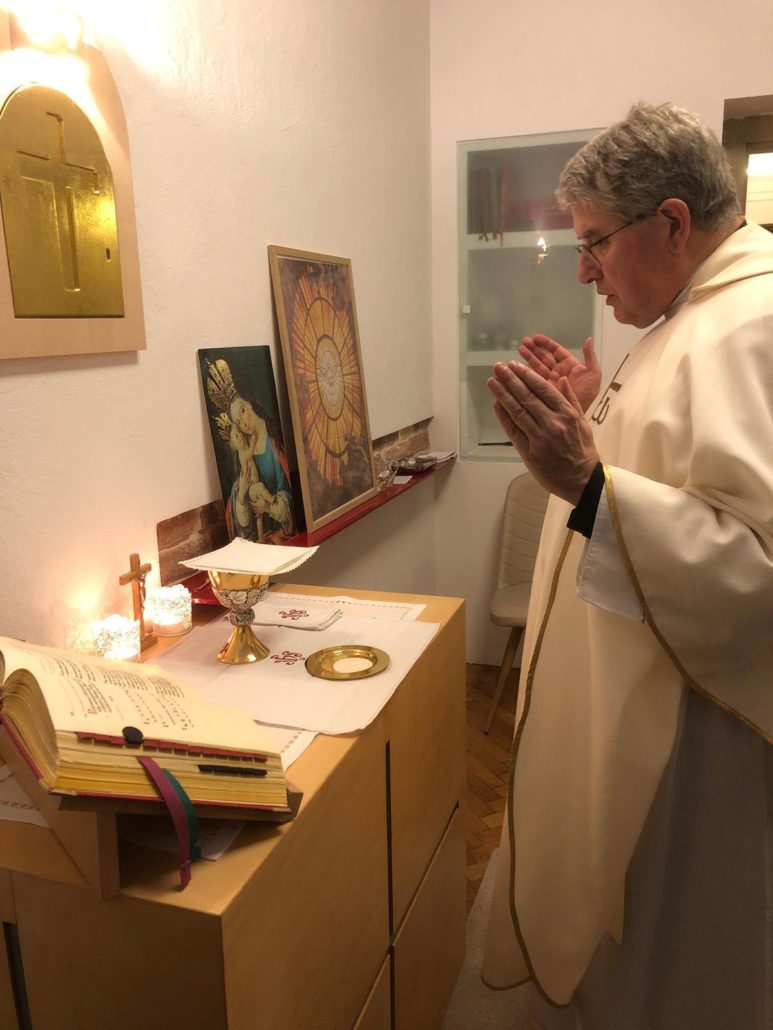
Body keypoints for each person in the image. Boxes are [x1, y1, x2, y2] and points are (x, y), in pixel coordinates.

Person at [481, 102, 772, 1029]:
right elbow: (666, 472)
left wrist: (583, 479)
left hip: (695, 731)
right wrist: (591, 412)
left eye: (593, 242)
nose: (584, 270)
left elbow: (754, 566)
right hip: (643, 690)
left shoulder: (749, 326)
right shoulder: (693, 316)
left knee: (674, 949)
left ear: (672, 222)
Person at [226, 392, 295, 542]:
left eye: (242, 411)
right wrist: (241, 494)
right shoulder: (244, 448)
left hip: (282, 531)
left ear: (250, 403)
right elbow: (241, 518)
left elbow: (292, 494)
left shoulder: (274, 440)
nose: (243, 424)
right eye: (238, 422)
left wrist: (268, 507)